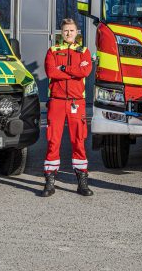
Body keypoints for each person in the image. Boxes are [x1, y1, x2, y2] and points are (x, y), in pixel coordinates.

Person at [41, 18, 93, 197]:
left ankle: (82, 182)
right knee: (53, 141)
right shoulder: (52, 51)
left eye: (72, 30)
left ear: (77, 32)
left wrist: (63, 67)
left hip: (77, 102)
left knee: (78, 141)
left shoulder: (84, 51)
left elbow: (84, 72)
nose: (69, 33)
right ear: (61, 33)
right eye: (65, 31)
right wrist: (73, 70)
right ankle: (49, 182)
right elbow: (51, 72)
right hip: (56, 101)